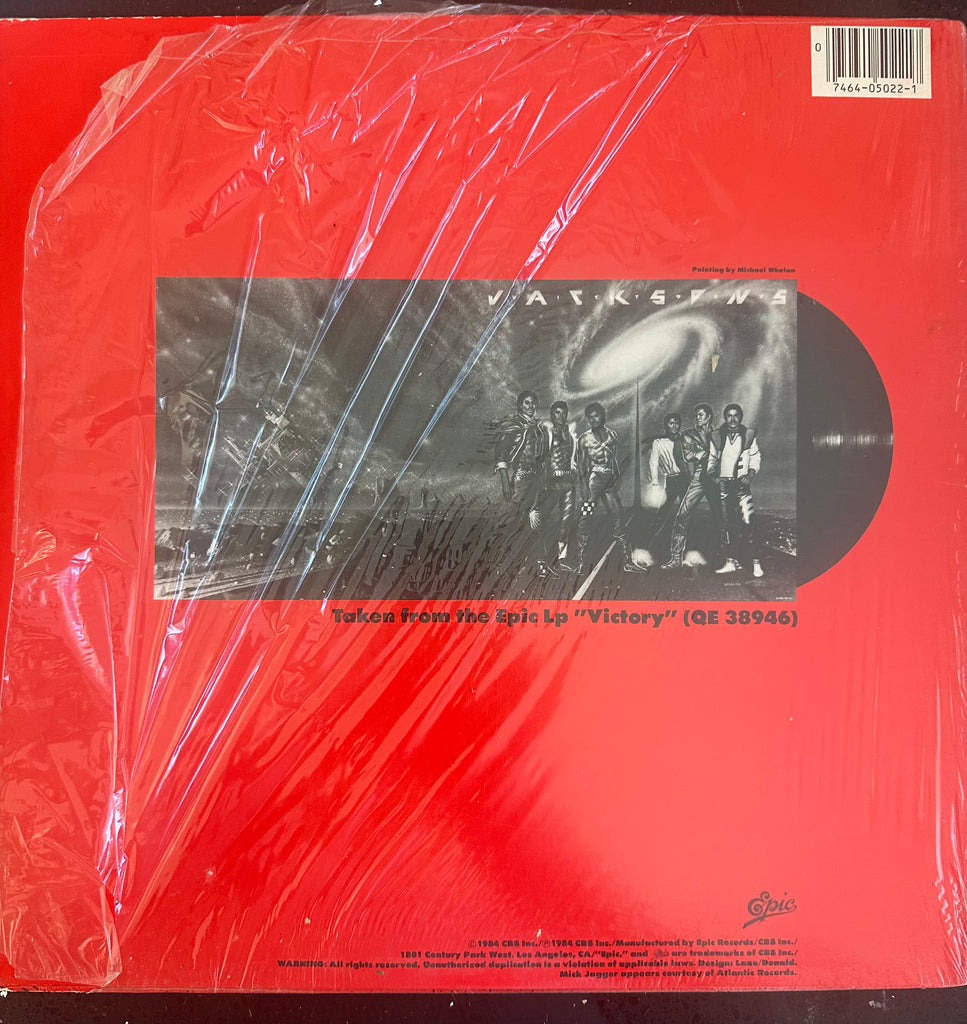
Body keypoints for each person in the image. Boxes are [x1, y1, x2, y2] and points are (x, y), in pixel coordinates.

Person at [563, 402, 647, 574]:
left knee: (618, 517)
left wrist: (617, 476)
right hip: (593, 480)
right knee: (585, 519)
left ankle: (627, 562)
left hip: (609, 480)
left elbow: (613, 458)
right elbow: (581, 465)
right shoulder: (584, 439)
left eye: (596, 416)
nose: (594, 420)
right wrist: (584, 488)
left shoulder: (612, 435)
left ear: (603, 416)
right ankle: (581, 563)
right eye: (590, 417)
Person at [495, 390, 550, 573]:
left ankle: (538, 563)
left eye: (533, 402)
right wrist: (505, 482)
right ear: (520, 405)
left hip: (537, 477)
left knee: (536, 517)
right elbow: (501, 454)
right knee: (516, 519)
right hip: (521, 477)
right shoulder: (514, 425)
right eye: (527, 402)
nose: (531, 406)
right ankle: (504, 562)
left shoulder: (539, 426)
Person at [661, 402, 722, 568]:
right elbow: (688, 455)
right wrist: (709, 454)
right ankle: (675, 559)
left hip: (717, 477)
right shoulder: (688, 434)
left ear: (709, 417)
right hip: (699, 477)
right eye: (696, 416)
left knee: (722, 516)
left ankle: (729, 556)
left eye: (701, 415)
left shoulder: (719, 434)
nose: (697, 418)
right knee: (682, 515)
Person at [713, 403, 764, 578]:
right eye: (729, 415)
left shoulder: (749, 435)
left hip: (741, 486)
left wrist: (750, 474)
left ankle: (756, 563)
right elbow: (712, 459)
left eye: (736, 415)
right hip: (724, 486)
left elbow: (755, 457)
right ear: (725, 417)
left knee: (749, 522)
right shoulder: (717, 436)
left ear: (740, 417)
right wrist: (713, 476)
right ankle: (730, 562)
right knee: (727, 524)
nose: (733, 419)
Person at [541, 400, 577, 570]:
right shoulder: (547, 432)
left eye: (564, 413)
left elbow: (573, 457)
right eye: (557, 412)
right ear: (552, 415)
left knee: (566, 521)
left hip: (568, 481)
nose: (561, 416)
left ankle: (561, 559)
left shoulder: (571, 433)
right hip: (551, 483)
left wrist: (573, 470)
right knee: (547, 520)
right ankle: (543, 560)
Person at [646, 412, 687, 552]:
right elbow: (653, 463)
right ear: (666, 425)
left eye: (676, 423)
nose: (674, 426)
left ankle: (683, 546)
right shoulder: (658, 442)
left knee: (686, 512)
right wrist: (654, 483)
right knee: (662, 512)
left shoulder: (683, 440)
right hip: (671, 480)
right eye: (671, 423)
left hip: (685, 479)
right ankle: (647, 541)